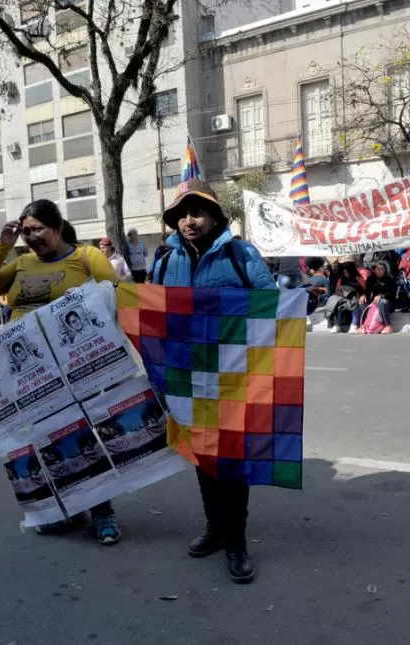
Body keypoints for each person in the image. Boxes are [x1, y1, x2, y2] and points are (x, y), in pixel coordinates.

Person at [150, 179, 277, 585]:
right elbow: (153, 312)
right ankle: (216, 528)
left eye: (197, 212)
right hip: (186, 375)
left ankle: (236, 541)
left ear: (215, 217)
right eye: (182, 214)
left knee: (233, 461)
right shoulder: (166, 259)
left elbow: (270, 304)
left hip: (233, 374)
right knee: (202, 456)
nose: (189, 220)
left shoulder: (240, 254)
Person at [0, 199, 121, 545]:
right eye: (26, 231)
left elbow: (114, 294)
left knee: (83, 437)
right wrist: (3, 246)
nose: (31, 237)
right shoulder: (22, 262)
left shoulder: (86, 257)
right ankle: (67, 509)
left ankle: (103, 513)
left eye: (37, 229)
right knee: (47, 442)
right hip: (27, 372)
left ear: (57, 226)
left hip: (74, 366)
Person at [362, 260, 396, 334]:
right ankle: (362, 325)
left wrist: (382, 295)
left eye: (382, 269)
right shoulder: (370, 279)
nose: (380, 271)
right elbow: (367, 292)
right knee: (362, 302)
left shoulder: (389, 279)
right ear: (374, 270)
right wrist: (363, 295)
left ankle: (388, 325)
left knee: (383, 302)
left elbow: (392, 293)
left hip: (388, 302)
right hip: (375, 302)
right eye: (378, 269)